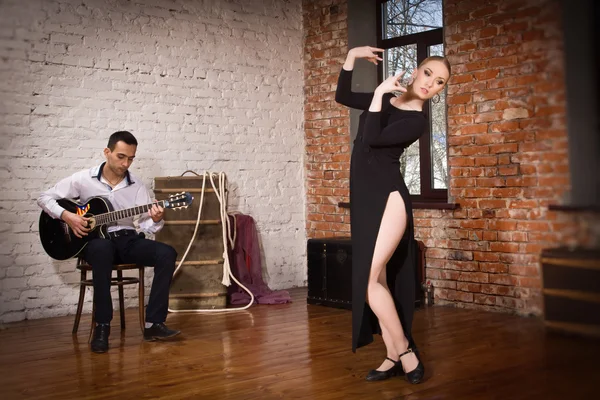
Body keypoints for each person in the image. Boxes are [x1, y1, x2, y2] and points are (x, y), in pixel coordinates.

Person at [335, 46, 451, 384]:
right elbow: (342, 95)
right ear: (416, 72)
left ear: (441, 91)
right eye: (428, 73)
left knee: (367, 280)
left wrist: (378, 95)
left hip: (389, 199)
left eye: (440, 82)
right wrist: (352, 57)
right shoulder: (386, 99)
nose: (431, 83)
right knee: (379, 280)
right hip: (365, 197)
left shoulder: (416, 120)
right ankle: (391, 355)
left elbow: (370, 139)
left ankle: (405, 351)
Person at [38, 131, 181, 353]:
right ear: (107, 152)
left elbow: (144, 225)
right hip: (95, 242)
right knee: (102, 249)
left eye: (131, 158)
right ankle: (102, 327)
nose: (126, 163)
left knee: (167, 253)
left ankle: (154, 324)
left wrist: (155, 219)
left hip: (126, 239)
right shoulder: (83, 179)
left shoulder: (137, 185)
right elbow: (44, 197)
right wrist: (68, 216)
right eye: (121, 156)